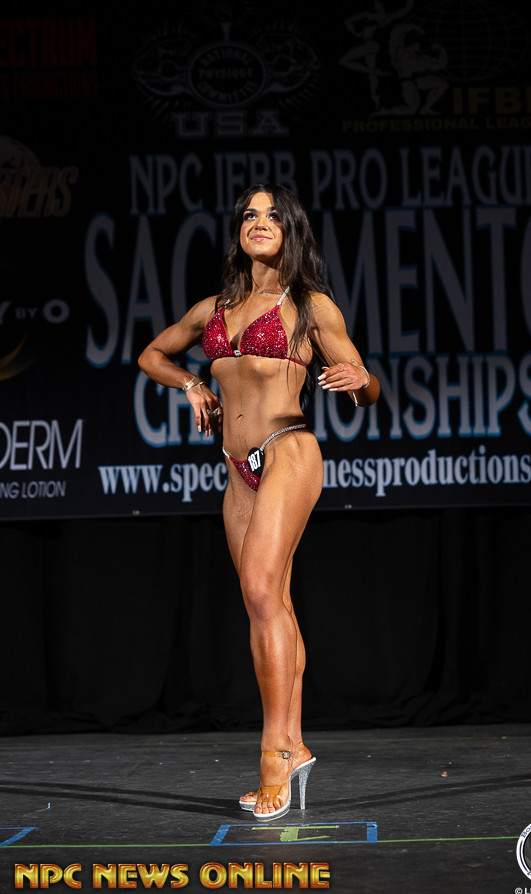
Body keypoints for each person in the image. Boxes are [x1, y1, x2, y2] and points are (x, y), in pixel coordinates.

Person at [138, 184, 380, 821]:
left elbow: (366, 387)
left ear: (291, 229)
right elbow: (151, 355)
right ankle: (296, 746)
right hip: (235, 469)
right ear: (239, 231)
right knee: (269, 604)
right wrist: (191, 383)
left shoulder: (310, 306)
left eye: (273, 214)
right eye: (250, 214)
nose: (259, 221)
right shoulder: (214, 309)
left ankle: (274, 755)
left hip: (287, 452)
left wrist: (363, 380)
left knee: (258, 588)